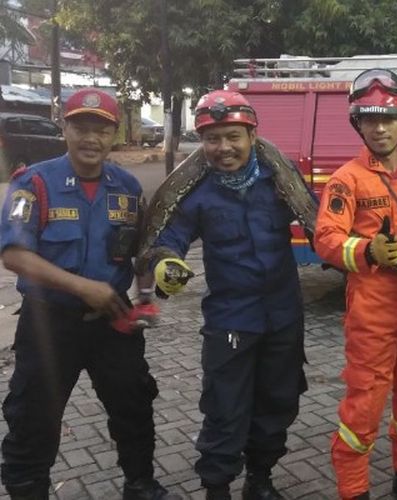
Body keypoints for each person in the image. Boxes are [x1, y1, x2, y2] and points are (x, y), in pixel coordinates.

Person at [0, 88, 180, 500]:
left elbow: (138, 251)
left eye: (101, 130)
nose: (91, 139)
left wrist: (148, 292)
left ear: (114, 134)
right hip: (49, 325)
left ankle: (140, 483)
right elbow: (14, 255)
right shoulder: (35, 183)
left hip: (112, 320)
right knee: (33, 417)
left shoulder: (128, 187)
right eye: (81, 127)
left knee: (134, 405)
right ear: (64, 127)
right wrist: (83, 287)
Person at [145, 90, 307, 500]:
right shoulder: (197, 192)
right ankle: (217, 488)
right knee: (225, 407)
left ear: (252, 134)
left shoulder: (280, 179)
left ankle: (260, 478)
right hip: (231, 318)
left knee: (278, 400)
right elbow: (170, 238)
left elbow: (324, 224)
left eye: (232, 136)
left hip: (283, 315)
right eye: (212, 138)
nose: (223, 148)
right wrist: (166, 263)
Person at [314, 68, 397, 500]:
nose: (380, 127)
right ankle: (354, 490)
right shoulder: (346, 179)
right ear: (358, 122)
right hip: (372, 309)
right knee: (364, 406)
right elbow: (326, 238)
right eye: (370, 118)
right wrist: (367, 250)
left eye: (389, 118)